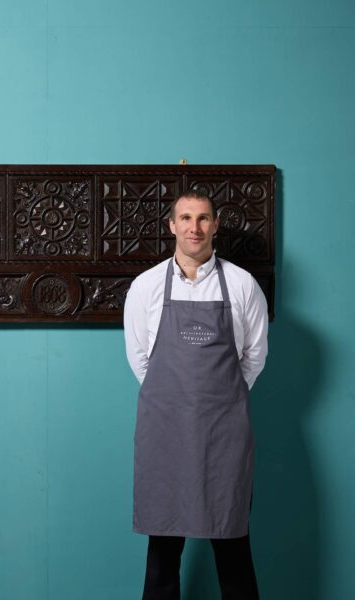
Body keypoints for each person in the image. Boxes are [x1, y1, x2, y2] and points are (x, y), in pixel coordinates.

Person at [123, 191, 268, 600]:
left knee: (232, 543)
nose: (194, 227)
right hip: (165, 431)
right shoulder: (146, 286)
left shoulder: (242, 285)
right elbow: (140, 358)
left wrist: (221, 397)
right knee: (163, 548)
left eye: (203, 218)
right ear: (172, 225)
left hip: (225, 432)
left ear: (215, 225)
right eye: (186, 218)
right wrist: (175, 397)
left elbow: (254, 356)